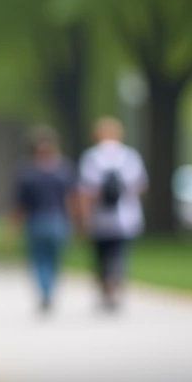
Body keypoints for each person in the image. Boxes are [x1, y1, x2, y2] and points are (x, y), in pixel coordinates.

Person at [4, 126, 78, 313]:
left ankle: (45, 292)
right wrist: (78, 222)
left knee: (39, 261)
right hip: (58, 221)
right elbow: (72, 199)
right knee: (54, 260)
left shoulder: (27, 172)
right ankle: (48, 291)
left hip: (37, 222)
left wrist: (10, 231)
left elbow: (19, 206)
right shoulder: (63, 169)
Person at [78, 117, 148, 311]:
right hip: (125, 217)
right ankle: (115, 281)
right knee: (119, 253)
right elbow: (139, 186)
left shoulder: (91, 156)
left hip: (99, 217)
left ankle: (106, 286)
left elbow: (86, 191)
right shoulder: (129, 156)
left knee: (100, 254)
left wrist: (83, 218)